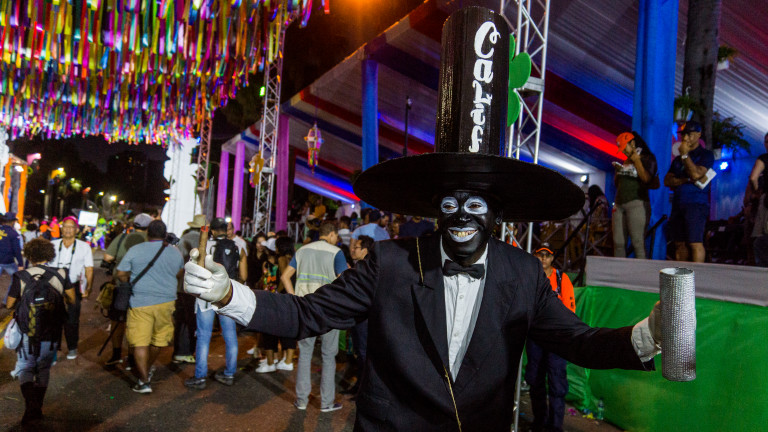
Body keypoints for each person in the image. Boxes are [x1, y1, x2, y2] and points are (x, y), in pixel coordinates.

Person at [183, 8, 662, 429]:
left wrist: (648, 336)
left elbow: (578, 341)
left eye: (476, 204)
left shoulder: (523, 273)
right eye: (450, 203)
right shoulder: (389, 262)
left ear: (496, 215)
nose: (461, 216)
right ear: (435, 210)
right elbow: (306, 314)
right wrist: (228, 294)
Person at [275, 222, 348, 411]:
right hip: (329, 310)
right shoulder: (336, 253)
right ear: (331, 234)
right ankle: (326, 402)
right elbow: (345, 281)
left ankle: (301, 400)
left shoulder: (302, 250)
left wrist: (295, 299)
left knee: (305, 354)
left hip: (305, 309)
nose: (336, 240)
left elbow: (285, 277)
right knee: (328, 356)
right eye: (336, 236)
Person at [6, 238, 74, 425]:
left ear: (29, 255)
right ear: (50, 255)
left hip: (27, 331)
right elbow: (72, 299)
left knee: (26, 367)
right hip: (51, 330)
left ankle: (31, 406)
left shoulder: (21, 276)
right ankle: (38, 407)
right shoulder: (61, 273)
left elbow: (10, 304)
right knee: (43, 368)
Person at [116, 220, 184, 393]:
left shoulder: (135, 250)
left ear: (148, 233)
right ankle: (147, 368)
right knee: (158, 340)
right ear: (165, 234)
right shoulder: (175, 252)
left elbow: (121, 273)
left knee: (140, 342)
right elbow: (180, 272)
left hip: (140, 301)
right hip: (166, 301)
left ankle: (144, 380)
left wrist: (129, 281)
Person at [185, 218, 245, 390]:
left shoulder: (204, 247)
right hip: (227, 296)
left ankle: (200, 376)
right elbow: (244, 275)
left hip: (206, 296)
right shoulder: (238, 246)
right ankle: (229, 373)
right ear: (226, 229)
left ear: (212, 231)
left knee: (203, 336)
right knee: (230, 335)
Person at [525, 243, 576, 432]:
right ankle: (539, 423)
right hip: (536, 338)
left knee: (557, 383)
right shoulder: (531, 278)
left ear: (553, 258)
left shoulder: (562, 279)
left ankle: (555, 427)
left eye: (547, 255)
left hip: (557, 339)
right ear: (535, 256)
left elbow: (570, 310)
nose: (544, 258)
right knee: (535, 380)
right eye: (540, 255)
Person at [101, 213, 152, 367]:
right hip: (143, 289)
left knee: (117, 320)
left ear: (134, 225)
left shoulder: (122, 238)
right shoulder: (151, 241)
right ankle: (131, 357)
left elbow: (107, 257)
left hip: (121, 286)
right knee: (135, 324)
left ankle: (116, 354)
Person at [664, 121, 715, 262]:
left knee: (695, 242)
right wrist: (686, 180)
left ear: (698, 134)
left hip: (696, 204)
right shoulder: (678, 160)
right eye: (683, 135)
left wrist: (685, 156)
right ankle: (682, 272)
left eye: (689, 134)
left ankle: (698, 272)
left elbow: (696, 174)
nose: (685, 138)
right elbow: (667, 180)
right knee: (679, 243)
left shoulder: (705, 155)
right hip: (678, 203)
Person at [50, 216, 94, 360]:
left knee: (72, 319)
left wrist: (88, 288)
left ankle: (72, 347)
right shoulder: (52, 245)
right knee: (53, 319)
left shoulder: (84, 247)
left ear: (76, 230)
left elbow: (89, 269)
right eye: (65, 226)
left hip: (73, 287)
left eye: (71, 227)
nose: (68, 229)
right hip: (54, 287)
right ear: (61, 229)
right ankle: (53, 350)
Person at [612, 132, 659, 259]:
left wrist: (636, 160)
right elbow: (617, 184)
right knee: (618, 243)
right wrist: (619, 171)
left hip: (637, 203)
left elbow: (646, 179)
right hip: (619, 204)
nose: (623, 152)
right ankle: (619, 270)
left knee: (638, 243)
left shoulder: (647, 158)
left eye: (625, 148)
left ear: (633, 143)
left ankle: (641, 270)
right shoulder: (625, 161)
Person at [342, 234, 375, 396]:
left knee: (363, 352)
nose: (352, 250)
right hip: (358, 315)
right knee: (359, 351)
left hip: (364, 316)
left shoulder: (368, 268)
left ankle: (364, 388)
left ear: (365, 250)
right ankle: (360, 385)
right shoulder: (361, 266)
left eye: (356, 247)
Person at [172, 214, 206, 364]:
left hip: (181, 286)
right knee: (191, 320)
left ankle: (178, 351)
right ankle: (186, 351)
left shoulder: (184, 238)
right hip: (195, 287)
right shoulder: (203, 240)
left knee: (180, 319)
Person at [0, 212, 24, 305]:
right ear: (13, 221)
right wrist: (21, 264)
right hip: (7, 261)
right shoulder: (13, 234)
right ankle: (6, 301)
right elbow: (17, 250)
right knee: (16, 279)